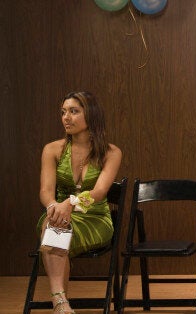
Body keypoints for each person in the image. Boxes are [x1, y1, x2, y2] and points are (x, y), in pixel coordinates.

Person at [37, 91, 122, 314]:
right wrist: (54, 207)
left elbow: (100, 192)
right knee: (56, 225)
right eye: (63, 112)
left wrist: (71, 203)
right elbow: (45, 191)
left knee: (56, 234)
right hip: (57, 213)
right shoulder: (52, 149)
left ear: (91, 115)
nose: (66, 117)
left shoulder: (111, 152)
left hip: (94, 218)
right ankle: (60, 302)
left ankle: (59, 303)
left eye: (74, 111)